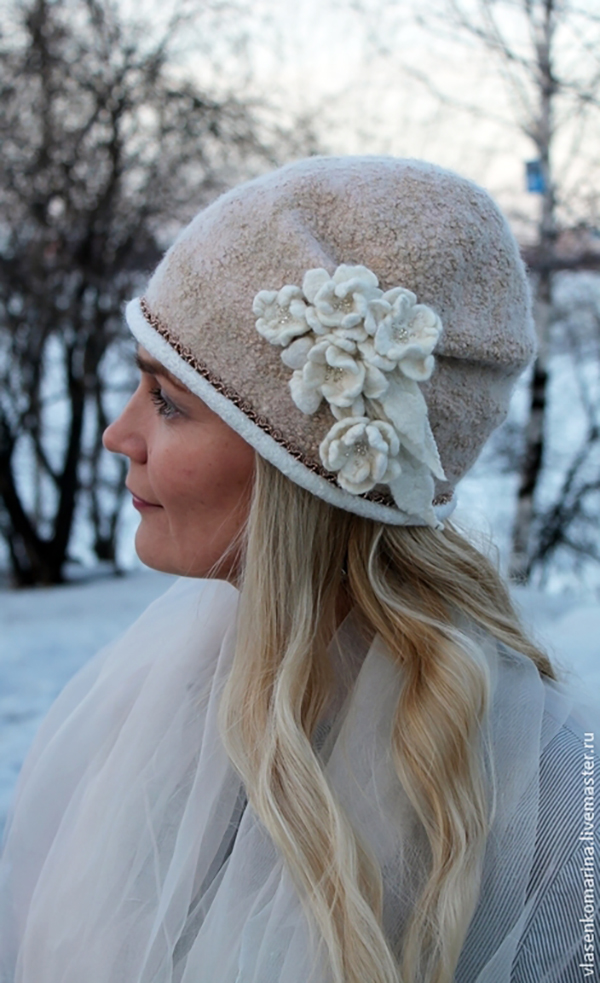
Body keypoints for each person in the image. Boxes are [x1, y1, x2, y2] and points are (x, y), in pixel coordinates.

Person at [0, 156, 598, 983]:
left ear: (303, 466)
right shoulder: (167, 696)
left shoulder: (551, 808)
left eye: (168, 401)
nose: (118, 434)